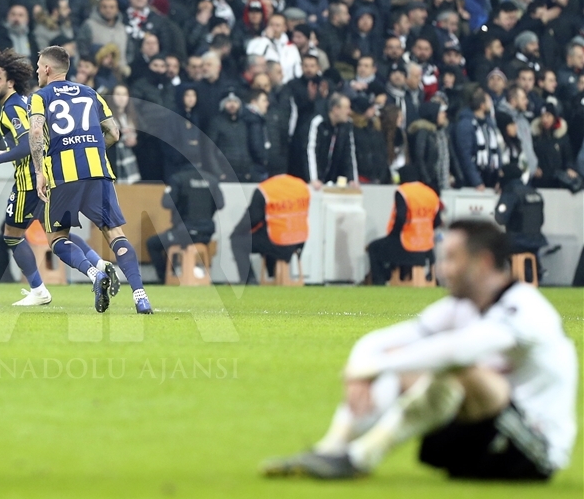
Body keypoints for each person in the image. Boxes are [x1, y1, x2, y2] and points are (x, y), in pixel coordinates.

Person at [261, 219, 578, 481]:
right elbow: (380, 342)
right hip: (481, 443)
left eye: (452, 258)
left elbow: (458, 352)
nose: (443, 269)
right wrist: (364, 369)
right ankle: (331, 449)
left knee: (458, 369)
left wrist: (376, 367)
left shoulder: (525, 309)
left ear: (481, 262)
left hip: (534, 451)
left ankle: (359, 458)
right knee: (411, 368)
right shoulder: (460, 306)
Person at [0, 49, 113, 306]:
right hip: (50, 178)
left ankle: (39, 291)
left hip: (30, 181)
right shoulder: (24, 102)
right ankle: (99, 266)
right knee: (56, 235)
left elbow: (28, 144)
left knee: (11, 235)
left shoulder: (12, 108)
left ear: (11, 81)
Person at [28, 46, 153, 314]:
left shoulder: (40, 96)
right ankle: (141, 296)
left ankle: (94, 273)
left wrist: (39, 172)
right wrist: (93, 151)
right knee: (114, 234)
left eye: (39, 66)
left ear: (48, 69)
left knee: (57, 237)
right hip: (98, 171)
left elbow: (36, 131)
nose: (37, 70)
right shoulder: (91, 93)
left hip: (63, 175)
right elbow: (114, 133)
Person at [146, 166, 223, 282]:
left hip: (184, 231)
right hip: (207, 232)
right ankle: (175, 275)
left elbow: (167, 203)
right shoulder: (212, 180)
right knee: (172, 238)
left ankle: (165, 279)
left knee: (153, 243)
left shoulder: (178, 179)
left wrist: (168, 191)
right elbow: (220, 204)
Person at [230, 173, 310, 285]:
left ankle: (250, 281)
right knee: (267, 233)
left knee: (238, 241)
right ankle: (273, 275)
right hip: (299, 240)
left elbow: (252, 218)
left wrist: (236, 232)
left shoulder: (265, 189)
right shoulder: (301, 185)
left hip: (278, 240)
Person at [366, 172, 441, 285]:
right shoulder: (431, 193)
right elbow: (437, 221)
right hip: (427, 249)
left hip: (407, 245)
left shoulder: (404, 191)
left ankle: (379, 283)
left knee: (374, 248)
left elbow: (401, 217)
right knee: (387, 247)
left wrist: (393, 235)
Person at [305, 93, 359, 188]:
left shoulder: (347, 126)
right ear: (335, 109)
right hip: (312, 181)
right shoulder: (318, 123)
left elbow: (349, 153)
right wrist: (313, 179)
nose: (349, 112)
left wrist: (352, 179)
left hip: (333, 180)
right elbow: (310, 151)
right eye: (346, 108)